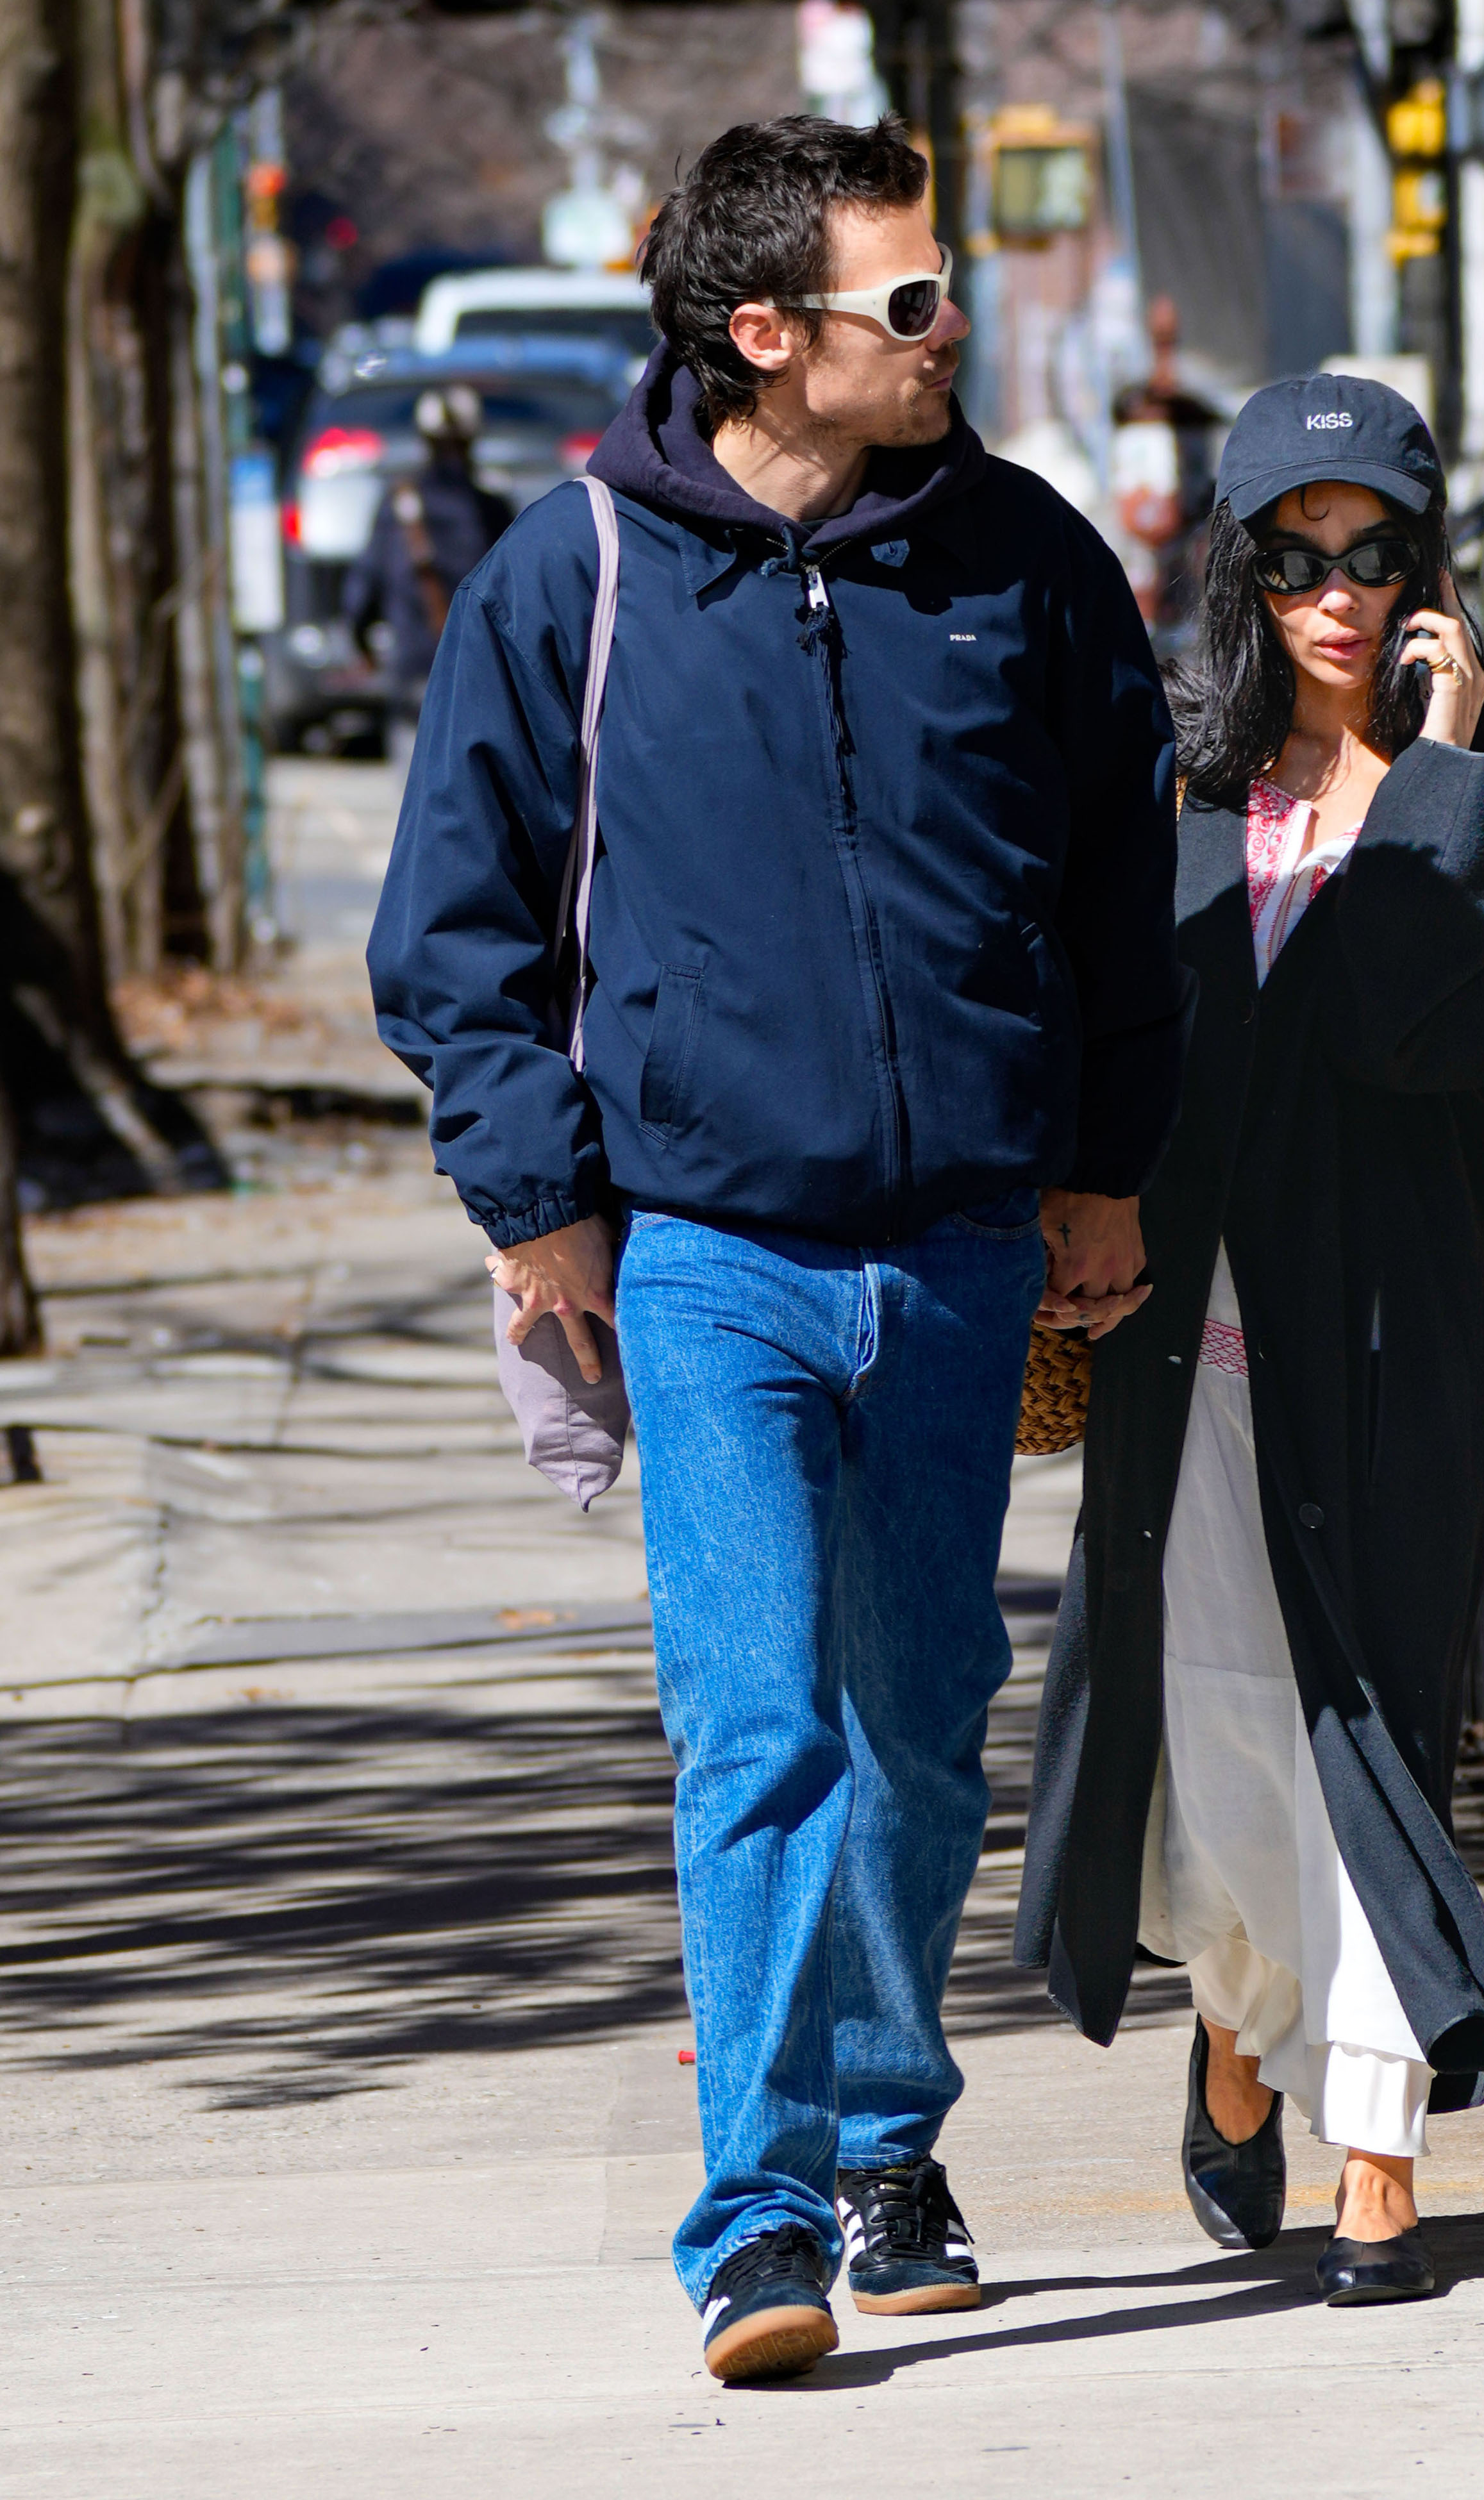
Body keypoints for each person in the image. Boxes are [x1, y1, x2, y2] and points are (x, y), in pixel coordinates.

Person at [366, 115, 1187, 2383]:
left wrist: (1101, 1165)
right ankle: (753, 2220)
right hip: (705, 1253)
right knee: (755, 1733)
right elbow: (451, 931)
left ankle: (883, 2143)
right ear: (763, 335)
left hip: (957, 1254)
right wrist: (535, 1195)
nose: (950, 328)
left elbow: (1121, 897)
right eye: (907, 300)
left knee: (917, 1723)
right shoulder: (573, 576)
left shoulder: (1022, 561)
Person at [1014, 373, 1484, 2304]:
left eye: (1372, 557)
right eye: (1293, 560)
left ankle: (1375, 2147)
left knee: (1362, 1713)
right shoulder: (1177, 794)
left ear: (1426, 572)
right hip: (1185, 1333)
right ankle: (1235, 2018)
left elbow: (1386, 1024)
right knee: (1212, 1712)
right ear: (1239, 574)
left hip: (1388, 1340)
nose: (1335, 596)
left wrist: (1436, 760)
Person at [343, 383, 512, 765]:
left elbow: (363, 587)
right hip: (479, 674)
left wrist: (361, 643)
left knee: (413, 779)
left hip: (414, 671)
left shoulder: (398, 507)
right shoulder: (494, 511)